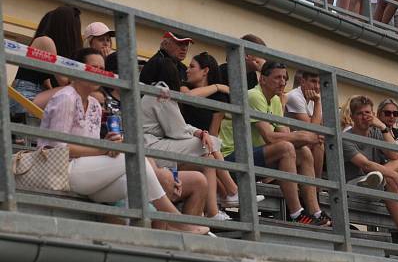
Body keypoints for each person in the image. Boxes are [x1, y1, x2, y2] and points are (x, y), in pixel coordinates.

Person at [39, 48, 209, 234]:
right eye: (93, 67)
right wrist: (103, 149)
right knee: (137, 161)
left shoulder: (95, 104)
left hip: (86, 172)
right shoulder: (66, 97)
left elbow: (91, 144)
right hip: (61, 171)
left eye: (102, 68)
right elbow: (58, 147)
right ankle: (178, 223)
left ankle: (155, 244)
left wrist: (109, 144)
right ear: (79, 69)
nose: (99, 72)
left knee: (136, 182)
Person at [216, 61, 329, 226]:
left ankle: (315, 212)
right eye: (277, 78)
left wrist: (304, 137)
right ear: (262, 79)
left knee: (303, 150)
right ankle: (296, 213)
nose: (282, 82)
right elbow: (270, 137)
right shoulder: (254, 96)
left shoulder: (275, 100)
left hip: (253, 157)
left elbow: (286, 134)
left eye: (284, 78)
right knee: (286, 147)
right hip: (230, 159)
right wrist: (304, 136)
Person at [142, 59, 237, 221]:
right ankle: (232, 191)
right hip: (150, 148)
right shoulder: (161, 92)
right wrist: (200, 135)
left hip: (155, 145)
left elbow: (180, 126)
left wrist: (200, 132)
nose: (183, 74)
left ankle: (214, 210)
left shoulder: (158, 90)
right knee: (209, 143)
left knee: (207, 158)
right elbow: (177, 131)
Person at [342, 96, 398, 243]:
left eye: (368, 113)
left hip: (377, 182)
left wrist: (383, 127)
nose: (365, 117)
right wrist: (394, 174)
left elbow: (395, 154)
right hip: (353, 185)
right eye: (360, 113)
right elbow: (365, 164)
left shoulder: (375, 132)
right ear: (353, 117)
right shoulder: (345, 138)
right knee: (389, 177)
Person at [9, 6, 82, 114]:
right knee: (73, 92)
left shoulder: (45, 42)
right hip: (24, 95)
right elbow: (64, 82)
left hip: (31, 93)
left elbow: (46, 82)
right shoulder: (46, 42)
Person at [283, 70, 324, 178]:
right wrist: (318, 103)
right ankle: (316, 188)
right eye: (313, 81)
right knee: (318, 144)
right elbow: (312, 129)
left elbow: (322, 126)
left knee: (323, 141)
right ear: (302, 82)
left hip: (301, 141)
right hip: (288, 140)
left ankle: (317, 188)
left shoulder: (314, 98)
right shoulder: (295, 96)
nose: (317, 87)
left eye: (319, 83)